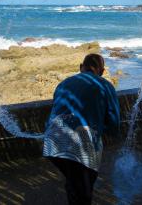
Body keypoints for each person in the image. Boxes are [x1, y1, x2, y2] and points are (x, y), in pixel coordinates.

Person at [43, 54, 120, 205]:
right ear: (102, 71)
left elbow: (56, 111)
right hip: (80, 146)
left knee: (75, 181)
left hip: (52, 141)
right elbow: (114, 124)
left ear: (80, 67)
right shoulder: (106, 86)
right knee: (83, 192)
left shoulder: (63, 84)